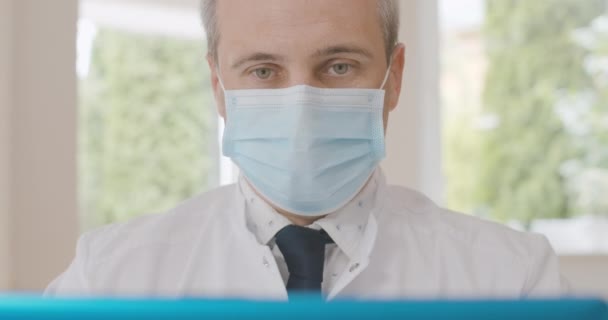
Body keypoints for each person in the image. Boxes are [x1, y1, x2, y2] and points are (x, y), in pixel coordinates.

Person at [45, 0, 566, 300]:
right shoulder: (110, 279)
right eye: (263, 70)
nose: (301, 104)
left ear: (394, 78)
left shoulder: (513, 280)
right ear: (217, 85)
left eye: (338, 66)